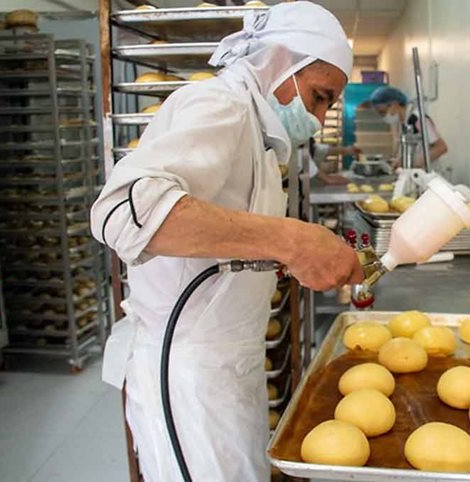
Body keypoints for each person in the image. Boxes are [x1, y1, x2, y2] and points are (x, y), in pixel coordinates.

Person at [90, 3, 362, 481]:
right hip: (188, 378)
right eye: (319, 97)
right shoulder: (219, 106)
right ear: (280, 61)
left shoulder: (256, 132)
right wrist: (291, 240)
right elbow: (122, 213)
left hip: (227, 366)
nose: (319, 119)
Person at [369, 85, 448, 168]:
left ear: (394, 104)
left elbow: (441, 147)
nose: (383, 116)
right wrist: (399, 160)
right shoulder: (402, 122)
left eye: (383, 112)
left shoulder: (417, 119)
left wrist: (413, 163)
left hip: (427, 174)